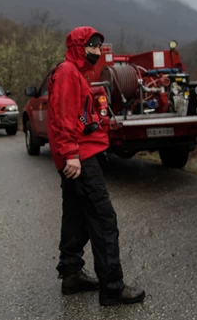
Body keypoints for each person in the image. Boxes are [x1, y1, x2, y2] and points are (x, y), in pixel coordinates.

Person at [47, 26, 145, 306]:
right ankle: (112, 288)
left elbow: (79, 115)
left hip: (79, 154)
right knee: (104, 220)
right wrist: (71, 153)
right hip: (80, 157)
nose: (97, 51)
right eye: (92, 46)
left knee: (76, 216)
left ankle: (71, 273)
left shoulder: (76, 73)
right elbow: (62, 118)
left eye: (99, 46)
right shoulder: (67, 72)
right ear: (79, 47)